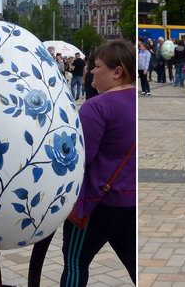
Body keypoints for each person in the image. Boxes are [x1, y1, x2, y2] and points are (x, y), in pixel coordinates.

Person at [61, 40, 135, 286]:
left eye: (98, 66)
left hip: (97, 203)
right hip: (131, 202)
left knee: (75, 263)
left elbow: (81, 160)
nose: (91, 70)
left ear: (117, 72)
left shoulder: (96, 107)